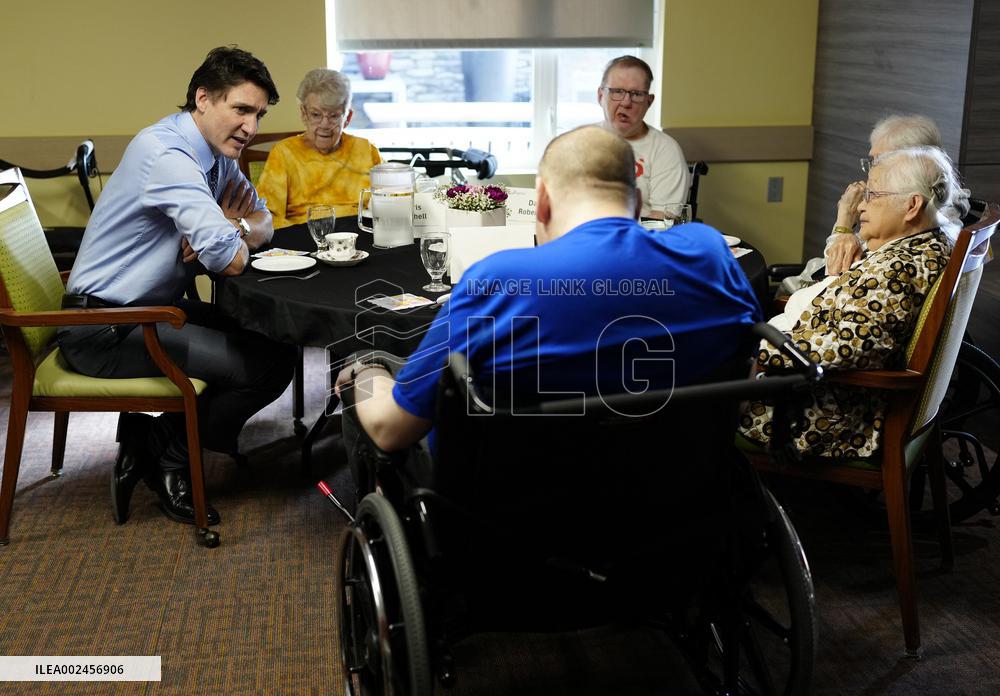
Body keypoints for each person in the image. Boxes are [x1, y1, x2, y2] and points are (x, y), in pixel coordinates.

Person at [334, 125, 760, 469]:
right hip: (680, 505)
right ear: (638, 204)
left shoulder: (497, 281)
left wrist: (365, 372)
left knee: (370, 391)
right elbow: (740, 382)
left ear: (540, 202)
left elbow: (391, 429)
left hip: (516, 524)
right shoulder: (710, 254)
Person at [58, 46, 296, 526]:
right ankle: (170, 458)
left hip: (150, 311)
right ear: (203, 99)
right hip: (103, 326)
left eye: (260, 114)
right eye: (242, 109)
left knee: (278, 341)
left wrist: (237, 227)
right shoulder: (166, 153)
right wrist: (230, 235)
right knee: (264, 367)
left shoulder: (217, 155)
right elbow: (228, 263)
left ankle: (149, 441)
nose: (251, 126)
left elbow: (264, 220)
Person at [741, 146, 965, 459]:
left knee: (690, 382)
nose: (861, 205)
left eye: (873, 195)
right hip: (820, 394)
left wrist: (754, 353)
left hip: (816, 415)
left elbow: (854, 344)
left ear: (912, 206)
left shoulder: (898, 269)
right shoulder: (925, 243)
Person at [782, 114, 950, 295]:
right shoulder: (930, 215)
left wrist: (844, 222)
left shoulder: (910, 233)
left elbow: (835, 273)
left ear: (912, 163)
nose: (872, 168)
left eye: (879, 161)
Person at [256, 68, 382, 228]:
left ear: (347, 117)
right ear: (303, 114)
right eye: (316, 114)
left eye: (334, 116)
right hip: (303, 240)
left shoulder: (366, 150)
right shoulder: (284, 153)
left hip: (360, 238)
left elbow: (392, 199)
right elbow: (268, 215)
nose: (325, 125)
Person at [596, 55, 689, 219]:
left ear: (649, 101)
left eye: (636, 94)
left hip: (640, 241)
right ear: (600, 95)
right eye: (617, 91)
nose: (626, 102)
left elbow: (662, 221)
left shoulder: (665, 150)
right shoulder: (577, 143)